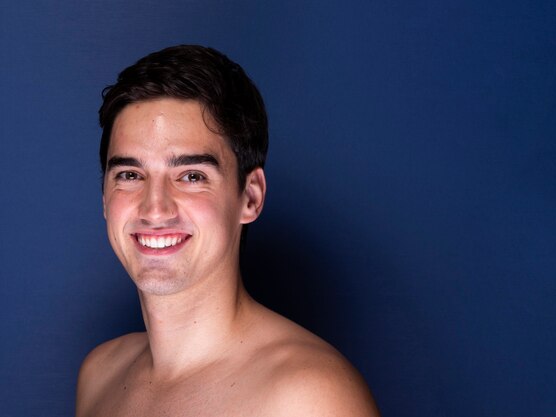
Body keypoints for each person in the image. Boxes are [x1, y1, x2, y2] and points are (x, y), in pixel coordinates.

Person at [75, 45, 380, 417]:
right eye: (130, 175)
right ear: (105, 198)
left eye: (191, 176)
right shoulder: (100, 374)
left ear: (250, 197)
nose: (155, 208)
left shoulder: (309, 397)